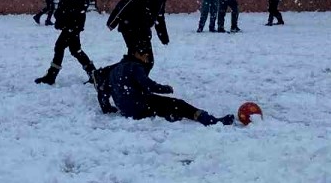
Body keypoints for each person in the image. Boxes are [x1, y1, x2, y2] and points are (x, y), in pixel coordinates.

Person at [97, 49, 234, 126]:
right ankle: (210, 120)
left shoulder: (115, 69)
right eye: (145, 54)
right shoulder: (135, 67)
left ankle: (171, 114)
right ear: (136, 54)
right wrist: (165, 89)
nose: (147, 57)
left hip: (126, 108)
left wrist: (107, 108)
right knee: (177, 104)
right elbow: (149, 86)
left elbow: (103, 91)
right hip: (138, 106)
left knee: (161, 105)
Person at [102, 0, 181, 75]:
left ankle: (102, 75)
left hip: (143, 28)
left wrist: (163, 35)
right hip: (131, 26)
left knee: (135, 59)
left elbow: (159, 13)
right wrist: (113, 20)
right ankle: (131, 84)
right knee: (145, 60)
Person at [34, 0, 96, 85]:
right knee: (75, 49)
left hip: (74, 21)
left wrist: (70, 15)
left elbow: (83, 2)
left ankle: (51, 76)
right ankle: (94, 74)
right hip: (67, 19)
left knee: (59, 46)